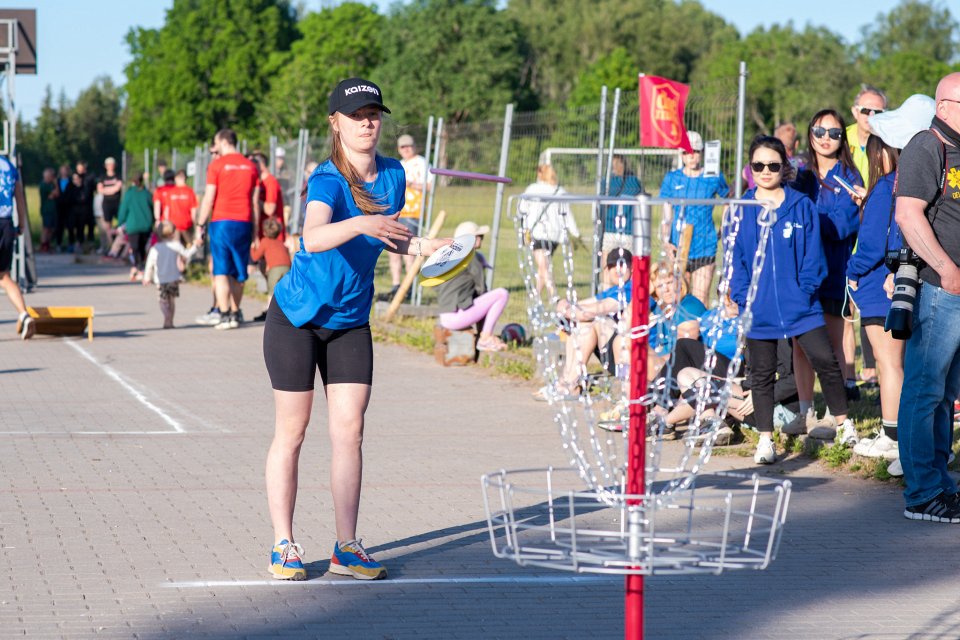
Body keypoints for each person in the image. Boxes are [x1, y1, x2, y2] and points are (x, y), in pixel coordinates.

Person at [263, 77, 451, 581]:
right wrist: (362, 223)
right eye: (357, 114)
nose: (368, 122)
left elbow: (394, 240)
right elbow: (314, 236)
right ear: (336, 123)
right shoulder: (327, 179)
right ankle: (284, 544)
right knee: (293, 432)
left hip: (349, 321)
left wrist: (437, 247)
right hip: (298, 319)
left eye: (374, 113)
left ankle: (347, 547)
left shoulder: (392, 175)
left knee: (350, 432)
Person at [732, 135, 854, 465]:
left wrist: (803, 291)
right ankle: (765, 440)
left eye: (773, 165)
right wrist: (743, 298)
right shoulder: (741, 208)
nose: (766, 171)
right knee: (761, 373)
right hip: (759, 308)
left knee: (825, 360)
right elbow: (736, 260)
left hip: (801, 306)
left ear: (784, 167)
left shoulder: (801, 205)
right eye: (758, 165)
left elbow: (815, 257)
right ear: (751, 168)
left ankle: (844, 426)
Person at [892, 75, 960, 522]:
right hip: (940, 289)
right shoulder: (927, 144)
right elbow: (907, 213)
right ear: (947, 105)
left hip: (954, 291)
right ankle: (922, 494)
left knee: (945, 392)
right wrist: (948, 270)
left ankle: (939, 484)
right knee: (924, 388)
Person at [787, 109, 864, 436]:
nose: (826, 138)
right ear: (810, 133)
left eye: (834, 132)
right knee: (801, 346)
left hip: (833, 272)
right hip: (799, 274)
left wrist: (803, 218)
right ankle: (805, 412)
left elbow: (841, 226)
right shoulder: (799, 177)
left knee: (831, 347)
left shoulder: (850, 177)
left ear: (841, 138)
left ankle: (836, 415)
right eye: (820, 130)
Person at [847, 133, 903, 474]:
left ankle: (892, 434)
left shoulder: (884, 187)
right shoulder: (904, 184)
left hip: (876, 287)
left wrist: (850, 270)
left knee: (888, 365)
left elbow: (870, 244)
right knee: (898, 365)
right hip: (893, 284)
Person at [537, 249, 634, 400]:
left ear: (632, 267)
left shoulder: (632, 289)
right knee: (583, 323)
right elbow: (580, 305)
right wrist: (564, 305)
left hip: (631, 360)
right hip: (616, 354)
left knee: (591, 321)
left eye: (621, 265)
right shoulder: (615, 290)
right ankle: (568, 382)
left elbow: (588, 312)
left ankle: (570, 384)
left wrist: (566, 310)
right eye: (612, 266)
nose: (617, 270)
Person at [196, 128, 260, 331]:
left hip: (221, 221)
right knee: (239, 272)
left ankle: (224, 314)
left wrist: (200, 224)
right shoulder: (250, 166)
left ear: (223, 142)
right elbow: (254, 202)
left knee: (222, 271)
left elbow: (209, 198)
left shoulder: (216, 165)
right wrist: (256, 231)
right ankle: (235, 312)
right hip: (244, 222)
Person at [659, 131, 729, 305]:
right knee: (679, 297)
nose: (691, 156)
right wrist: (666, 240)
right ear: (681, 155)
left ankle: (698, 332)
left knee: (699, 299)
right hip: (679, 246)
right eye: (686, 152)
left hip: (705, 245)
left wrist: (723, 226)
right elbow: (667, 212)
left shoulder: (713, 176)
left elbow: (729, 199)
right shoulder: (672, 178)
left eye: (695, 151)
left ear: (701, 152)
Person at [436, 220, 509, 352]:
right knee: (501, 294)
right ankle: (485, 338)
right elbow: (482, 291)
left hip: (444, 316)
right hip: (456, 317)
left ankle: (484, 336)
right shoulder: (471, 256)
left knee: (485, 299)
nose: (481, 239)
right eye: (479, 236)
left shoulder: (452, 257)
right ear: (472, 239)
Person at [518, 163, 579, 300]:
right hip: (555, 235)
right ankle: (535, 294)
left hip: (538, 232)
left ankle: (554, 295)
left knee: (543, 266)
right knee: (543, 265)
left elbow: (521, 208)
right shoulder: (560, 190)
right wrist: (575, 233)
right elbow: (567, 214)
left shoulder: (532, 189)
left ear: (540, 174)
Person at [383, 134, 431, 301]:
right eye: (403, 147)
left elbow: (430, 186)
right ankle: (397, 285)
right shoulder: (399, 165)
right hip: (397, 212)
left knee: (409, 250)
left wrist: (410, 184)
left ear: (414, 146)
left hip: (414, 213)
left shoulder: (422, 163)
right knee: (393, 250)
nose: (406, 149)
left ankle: (409, 287)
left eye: (409, 146)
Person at [0, 154, 34, 339]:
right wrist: (21, 224)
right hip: (5, 223)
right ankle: (24, 314)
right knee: (4, 275)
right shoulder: (9, 167)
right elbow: (19, 198)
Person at [142, 221, 199, 329]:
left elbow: (149, 264)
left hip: (160, 279)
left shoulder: (155, 248)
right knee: (172, 301)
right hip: (173, 278)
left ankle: (166, 317)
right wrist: (195, 246)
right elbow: (187, 254)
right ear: (173, 233)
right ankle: (170, 321)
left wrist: (146, 277)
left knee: (162, 301)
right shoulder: (176, 245)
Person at [249, 217, 291, 322]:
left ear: (264, 231)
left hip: (275, 268)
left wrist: (252, 247)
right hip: (287, 267)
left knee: (271, 292)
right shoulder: (280, 242)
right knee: (285, 291)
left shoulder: (265, 241)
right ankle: (286, 313)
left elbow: (255, 257)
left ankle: (269, 313)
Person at [117, 172, 154, 281]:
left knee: (135, 248)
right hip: (146, 225)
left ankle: (138, 266)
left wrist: (120, 222)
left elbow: (123, 210)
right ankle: (141, 266)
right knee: (142, 248)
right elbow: (152, 207)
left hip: (133, 225)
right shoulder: (147, 193)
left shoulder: (129, 194)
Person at [602, 155, 642, 251]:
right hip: (614, 229)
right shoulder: (609, 181)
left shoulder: (632, 181)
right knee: (608, 255)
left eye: (616, 164)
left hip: (625, 230)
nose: (614, 167)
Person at [252, 152, 285, 242]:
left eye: (253, 162)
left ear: (260, 164)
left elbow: (270, 209)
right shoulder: (259, 182)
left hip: (273, 238)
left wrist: (253, 200)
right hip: (263, 236)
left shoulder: (270, 182)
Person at [165, 170, 199, 246]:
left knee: (175, 248)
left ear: (176, 178)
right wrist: (195, 224)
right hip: (187, 224)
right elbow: (193, 211)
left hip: (174, 226)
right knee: (188, 247)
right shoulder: (190, 191)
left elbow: (167, 210)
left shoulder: (171, 192)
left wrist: (167, 224)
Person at [97, 157, 123, 254]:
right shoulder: (102, 177)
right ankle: (110, 246)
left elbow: (117, 188)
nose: (110, 166)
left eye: (112, 164)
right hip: (106, 204)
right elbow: (100, 190)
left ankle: (118, 245)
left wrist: (107, 190)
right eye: (108, 164)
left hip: (116, 203)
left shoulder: (118, 176)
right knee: (107, 225)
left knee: (120, 224)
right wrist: (111, 189)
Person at [75, 161, 97, 249]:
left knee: (90, 225)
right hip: (78, 206)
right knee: (80, 225)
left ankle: (90, 242)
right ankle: (80, 241)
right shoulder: (75, 177)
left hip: (89, 205)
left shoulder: (89, 177)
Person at [38, 168, 59, 253]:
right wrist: (56, 184)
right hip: (46, 210)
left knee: (51, 228)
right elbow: (55, 194)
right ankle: (43, 245)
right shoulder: (44, 185)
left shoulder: (50, 185)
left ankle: (48, 244)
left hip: (52, 210)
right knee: (46, 228)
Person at [54, 164, 71, 252]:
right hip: (59, 206)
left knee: (70, 226)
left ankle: (70, 244)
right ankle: (58, 243)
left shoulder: (71, 181)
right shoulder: (57, 181)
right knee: (59, 226)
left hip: (69, 206)